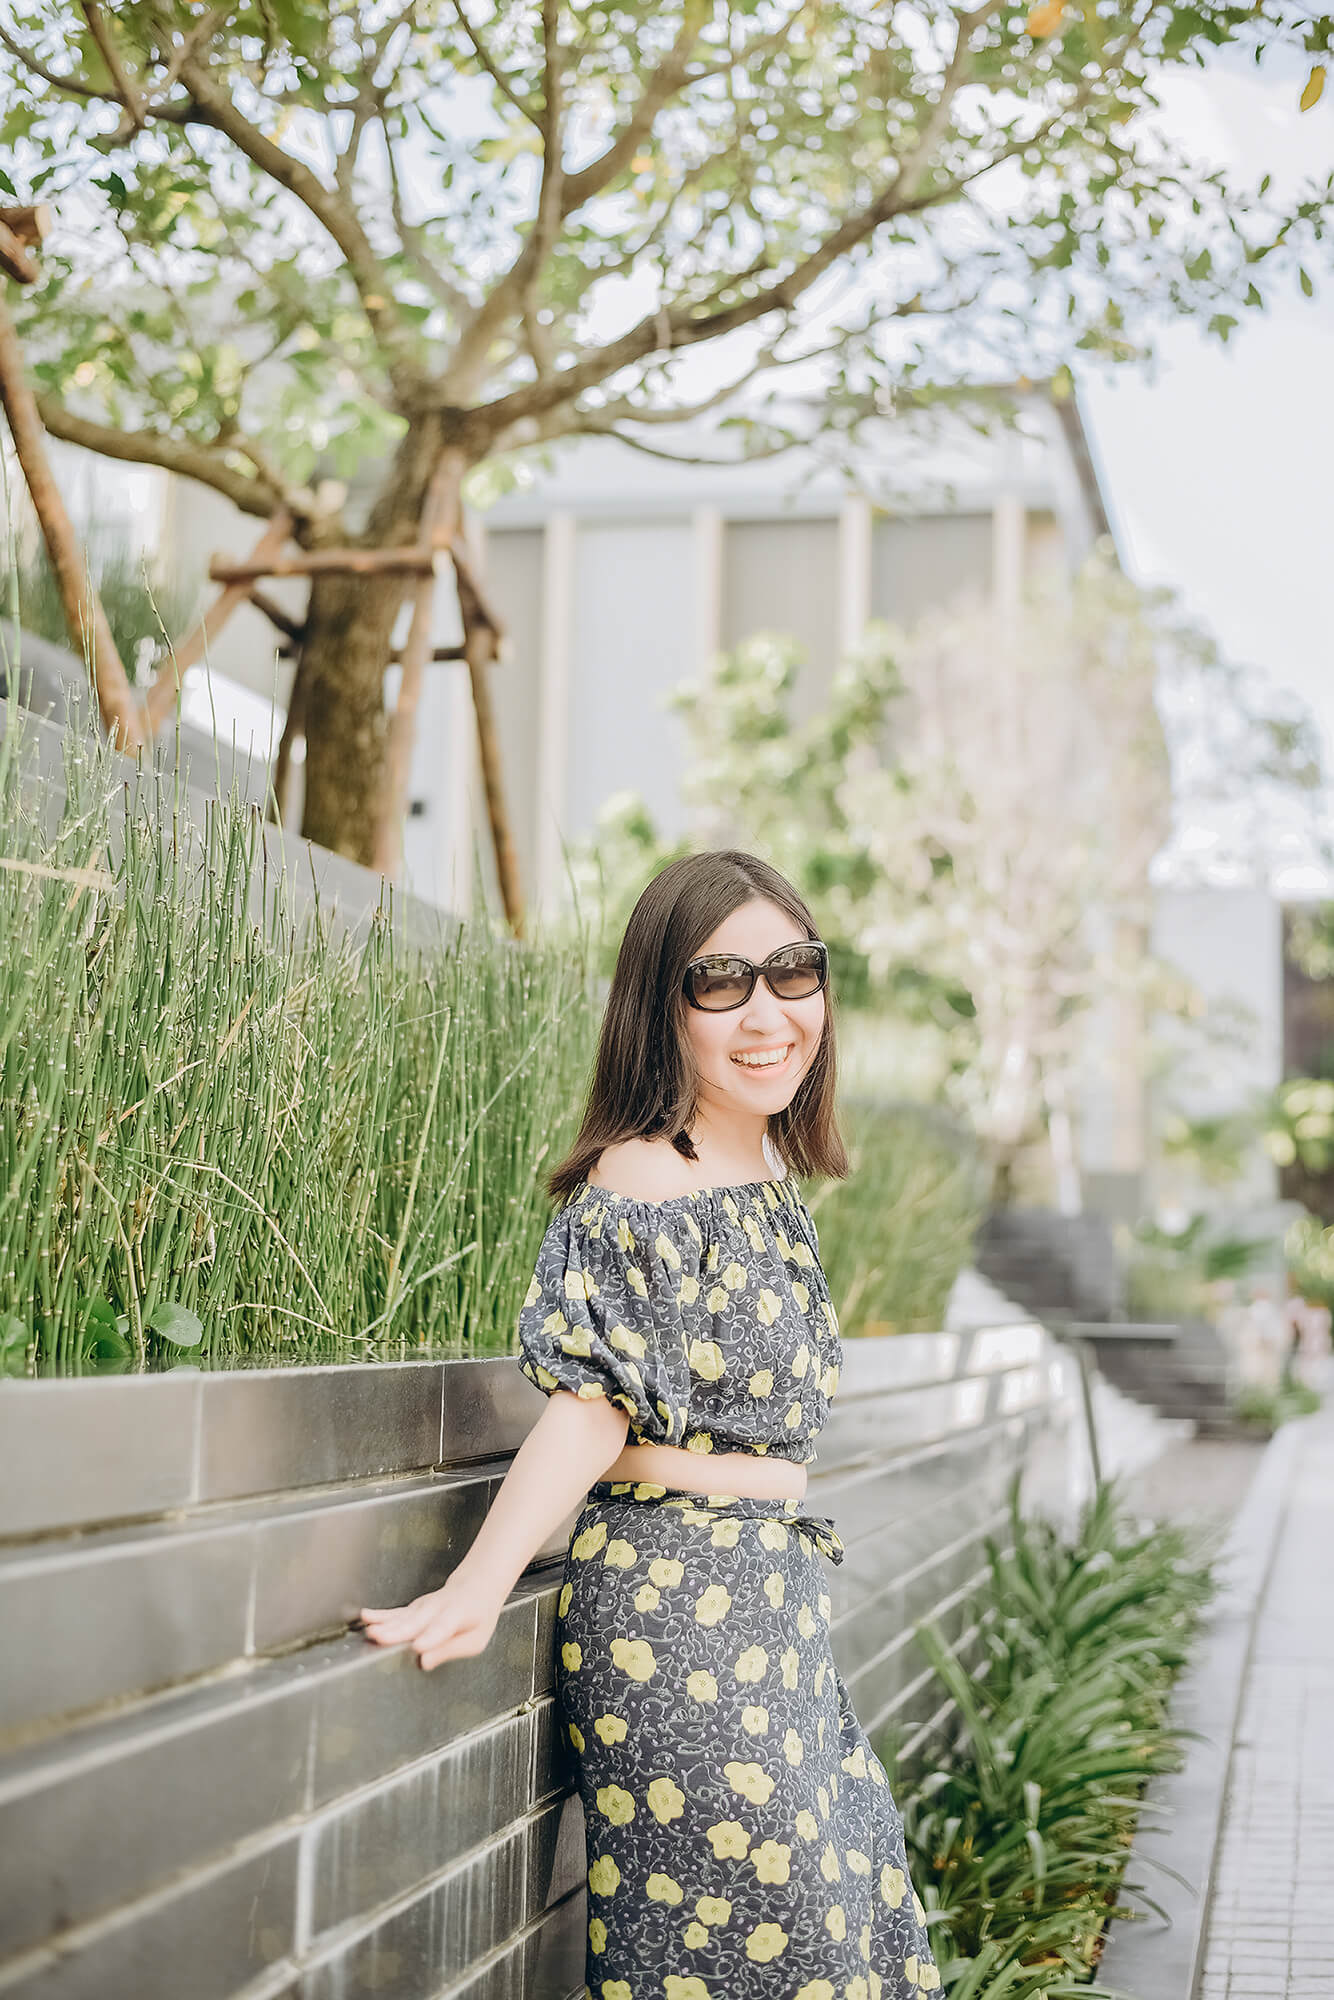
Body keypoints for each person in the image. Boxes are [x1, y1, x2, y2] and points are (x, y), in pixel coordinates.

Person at [360, 850, 939, 1998]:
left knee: (845, 1932)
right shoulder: (638, 1181)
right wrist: (476, 1585)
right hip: (675, 1620)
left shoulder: (763, 1169)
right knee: (756, 1956)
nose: (767, 1011)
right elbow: (586, 1410)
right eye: (720, 982)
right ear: (658, 1010)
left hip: (765, 1608)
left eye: (792, 971)